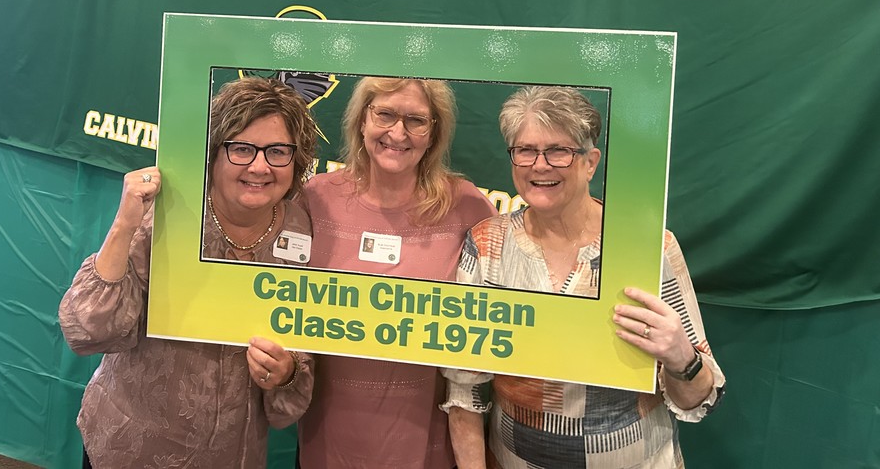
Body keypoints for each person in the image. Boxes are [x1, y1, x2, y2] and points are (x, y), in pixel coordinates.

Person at [444, 86, 726, 469]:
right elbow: (465, 389)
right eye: (525, 150)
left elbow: (700, 399)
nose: (539, 165)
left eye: (558, 151)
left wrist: (682, 359)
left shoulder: (648, 248)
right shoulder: (487, 244)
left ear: (590, 162)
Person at [59, 76, 319, 469]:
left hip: (232, 457)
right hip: (131, 450)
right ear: (212, 154)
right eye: (241, 149)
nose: (260, 166)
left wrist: (286, 373)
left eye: (278, 151)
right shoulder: (167, 214)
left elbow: (295, 373)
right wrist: (125, 224)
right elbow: (87, 331)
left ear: (296, 161)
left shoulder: (302, 229)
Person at [298, 77, 496, 469]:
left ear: (433, 132)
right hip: (327, 443)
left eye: (416, 120)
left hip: (428, 448)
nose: (398, 133)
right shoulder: (316, 198)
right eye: (385, 114)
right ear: (362, 120)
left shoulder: (468, 207)